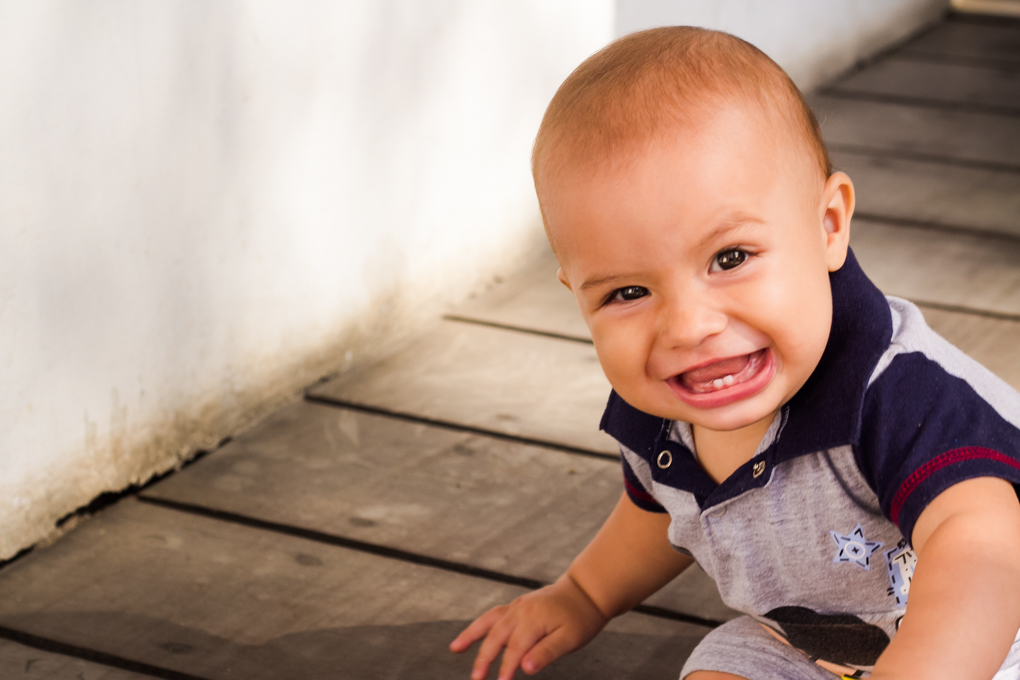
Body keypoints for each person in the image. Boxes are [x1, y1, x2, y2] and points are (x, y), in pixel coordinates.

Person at [448, 26, 1020, 680]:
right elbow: (660, 508)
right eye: (629, 292)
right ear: (577, 293)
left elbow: (981, 550)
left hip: (991, 634)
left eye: (730, 258)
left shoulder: (897, 393)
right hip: (816, 641)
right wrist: (583, 595)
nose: (688, 326)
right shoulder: (663, 413)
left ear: (828, 225)